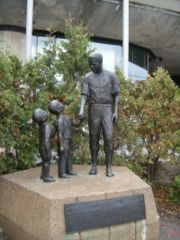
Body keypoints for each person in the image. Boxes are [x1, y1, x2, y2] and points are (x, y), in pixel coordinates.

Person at [79, 53, 119, 177]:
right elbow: (84, 95)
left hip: (107, 109)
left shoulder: (111, 76)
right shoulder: (87, 77)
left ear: (100, 63)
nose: (91, 67)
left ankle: (109, 167)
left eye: (94, 64)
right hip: (93, 109)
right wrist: (81, 109)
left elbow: (116, 94)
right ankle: (94, 165)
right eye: (90, 64)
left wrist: (116, 111)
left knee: (108, 138)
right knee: (93, 138)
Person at [48, 100, 77, 178]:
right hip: (63, 141)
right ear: (58, 110)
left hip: (69, 139)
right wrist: (61, 145)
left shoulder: (67, 117)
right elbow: (60, 134)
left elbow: (76, 124)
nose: (61, 104)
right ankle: (62, 173)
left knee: (70, 155)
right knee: (63, 157)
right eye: (59, 104)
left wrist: (81, 120)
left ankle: (69, 170)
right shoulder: (59, 120)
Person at [32, 108, 55, 182]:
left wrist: (54, 130)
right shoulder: (46, 127)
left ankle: (43, 175)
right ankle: (46, 177)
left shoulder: (41, 126)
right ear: (44, 118)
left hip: (41, 146)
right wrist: (48, 148)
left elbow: (50, 136)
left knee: (44, 161)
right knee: (47, 161)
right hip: (45, 146)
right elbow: (47, 138)